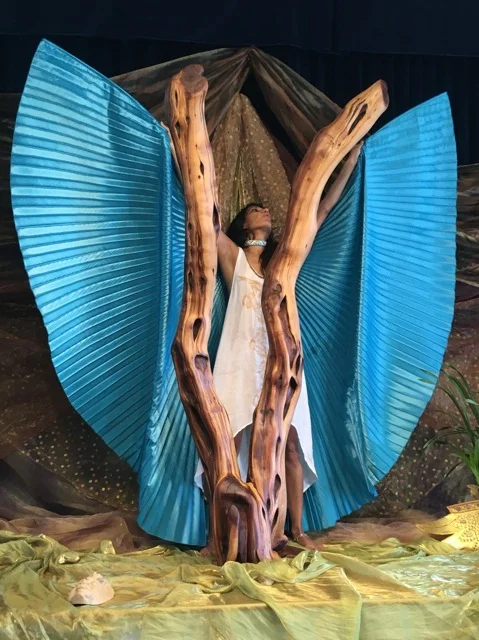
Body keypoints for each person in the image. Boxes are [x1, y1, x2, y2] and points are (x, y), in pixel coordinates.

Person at [197, 143, 364, 554]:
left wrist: (348, 164)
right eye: (256, 209)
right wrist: (181, 150)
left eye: (267, 209)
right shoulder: (233, 258)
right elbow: (206, 212)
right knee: (229, 444)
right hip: (239, 362)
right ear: (244, 225)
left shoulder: (285, 259)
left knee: (291, 443)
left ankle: (296, 530)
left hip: (282, 363)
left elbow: (321, 211)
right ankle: (222, 533)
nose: (266, 211)